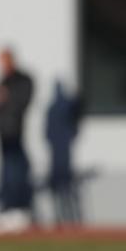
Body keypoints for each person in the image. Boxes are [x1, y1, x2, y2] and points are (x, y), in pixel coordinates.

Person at [0, 47, 35, 233]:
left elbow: (20, 103)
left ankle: (19, 210)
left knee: (16, 172)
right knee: (6, 173)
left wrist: (5, 100)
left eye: (3, 60)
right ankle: (7, 210)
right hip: (3, 134)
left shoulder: (23, 80)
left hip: (15, 133)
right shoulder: (2, 80)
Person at [45, 79, 82, 226]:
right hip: (59, 153)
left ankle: (67, 219)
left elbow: (47, 131)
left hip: (61, 154)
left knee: (64, 188)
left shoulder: (57, 107)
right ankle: (66, 219)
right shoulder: (59, 106)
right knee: (63, 188)